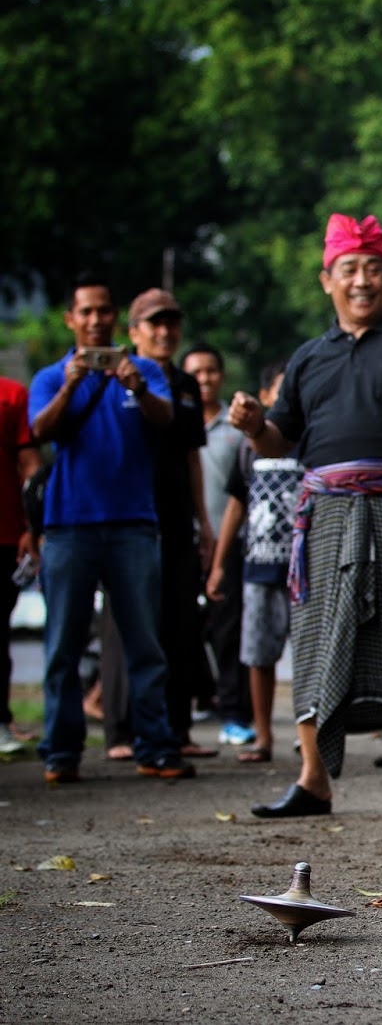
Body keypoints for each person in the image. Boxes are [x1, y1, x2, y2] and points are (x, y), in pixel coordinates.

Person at [228, 213, 382, 820]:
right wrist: (255, 426)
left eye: (374, 269)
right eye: (350, 269)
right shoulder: (308, 357)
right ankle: (313, 781)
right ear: (327, 280)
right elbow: (281, 439)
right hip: (324, 515)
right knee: (314, 640)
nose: (363, 280)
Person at [28, 274, 193, 783]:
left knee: (145, 643)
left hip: (134, 525)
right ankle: (61, 752)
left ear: (116, 317)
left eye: (104, 311)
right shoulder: (51, 377)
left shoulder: (144, 371)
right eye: (86, 312)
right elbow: (40, 431)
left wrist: (136, 386)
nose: (96, 320)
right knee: (62, 646)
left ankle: (155, 746)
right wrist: (73, 383)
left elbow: (167, 421)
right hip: (69, 525)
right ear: (71, 320)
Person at [121, 289, 217, 758]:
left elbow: (192, 456)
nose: (165, 332)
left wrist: (204, 521)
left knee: (181, 624)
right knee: (132, 624)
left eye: (171, 323)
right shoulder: (115, 379)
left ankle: (176, 731)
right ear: (134, 331)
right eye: (154, 323)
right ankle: (123, 731)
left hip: (176, 516)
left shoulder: (185, 384)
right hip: (128, 517)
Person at [207, 359, 299, 764]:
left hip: (304, 572)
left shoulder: (312, 442)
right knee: (259, 655)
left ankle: (309, 736)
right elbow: (235, 507)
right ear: (263, 397)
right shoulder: (248, 447)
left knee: (309, 657)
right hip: (259, 567)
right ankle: (263, 736)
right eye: (281, 390)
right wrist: (219, 564)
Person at [184, 343, 253, 748]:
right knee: (181, 632)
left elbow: (238, 496)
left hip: (230, 546)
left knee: (229, 634)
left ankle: (234, 715)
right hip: (183, 543)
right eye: (195, 372)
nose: (204, 379)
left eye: (211, 370)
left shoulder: (236, 429)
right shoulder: (174, 420)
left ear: (222, 376)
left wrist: (221, 553)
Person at [0, 375, 40, 755]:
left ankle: (0, 723)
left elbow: (30, 465)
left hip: (5, 533)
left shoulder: (12, 395)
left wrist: (32, 526)